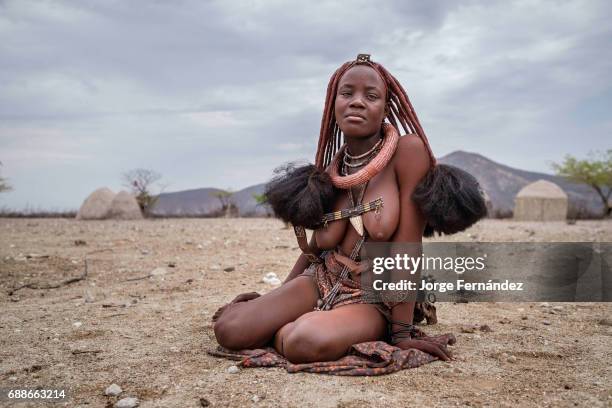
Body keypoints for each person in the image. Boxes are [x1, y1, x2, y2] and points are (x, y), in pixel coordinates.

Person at [212, 54, 486, 364]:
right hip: (322, 279)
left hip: (375, 295)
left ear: (385, 108)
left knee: (302, 340)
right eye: (347, 93)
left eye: (371, 96)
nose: (357, 102)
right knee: (230, 330)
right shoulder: (332, 168)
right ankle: (301, 323)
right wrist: (280, 293)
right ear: (333, 103)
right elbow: (315, 249)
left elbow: (408, 248)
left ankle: (324, 327)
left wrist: (402, 334)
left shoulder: (408, 153)